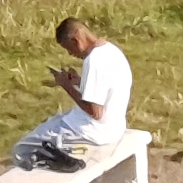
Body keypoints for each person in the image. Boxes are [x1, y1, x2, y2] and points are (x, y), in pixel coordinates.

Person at [11, 17, 131, 171]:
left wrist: (66, 86)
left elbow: (96, 112)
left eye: (69, 48)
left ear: (76, 40)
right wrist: (80, 82)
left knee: (21, 150)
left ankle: (57, 166)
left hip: (92, 132)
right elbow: (107, 89)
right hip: (115, 127)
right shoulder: (112, 51)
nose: (70, 54)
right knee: (51, 123)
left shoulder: (94, 61)